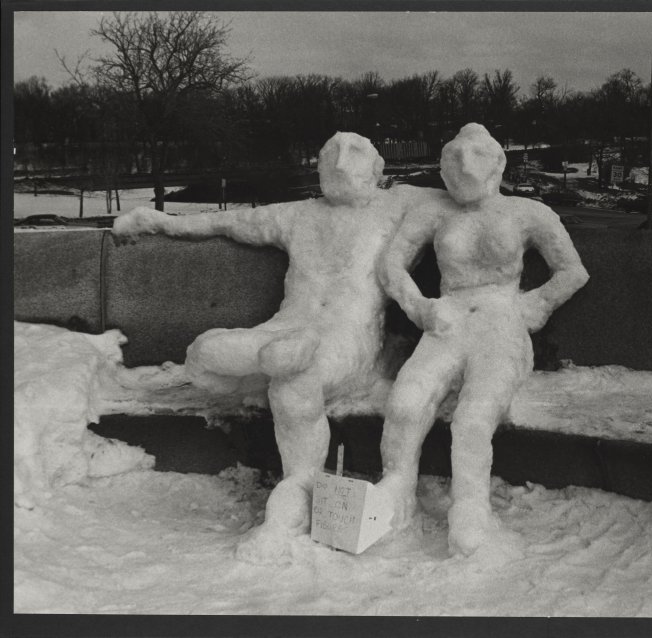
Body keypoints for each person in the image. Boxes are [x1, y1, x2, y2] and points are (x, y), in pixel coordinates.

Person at [113, 132, 428, 563]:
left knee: (294, 378)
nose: (339, 162)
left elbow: (469, 196)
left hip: (350, 340)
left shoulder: (397, 206)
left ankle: (297, 486)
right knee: (204, 355)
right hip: (288, 327)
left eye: (354, 154)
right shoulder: (299, 215)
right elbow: (231, 221)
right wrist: (162, 222)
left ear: (377, 169)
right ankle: (264, 361)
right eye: (329, 154)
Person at [375, 123, 589, 556]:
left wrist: (536, 305)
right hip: (448, 320)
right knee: (404, 404)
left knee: (473, 418)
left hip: (500, 323)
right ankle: (396, 489)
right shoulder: (433, 213)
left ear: (497, 163)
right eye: (453, 158)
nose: (463, 167)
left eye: (474, 157)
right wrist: (420, 307)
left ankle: (470, 510)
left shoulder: (528, 212)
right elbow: (391, 266)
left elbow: (572, 271)